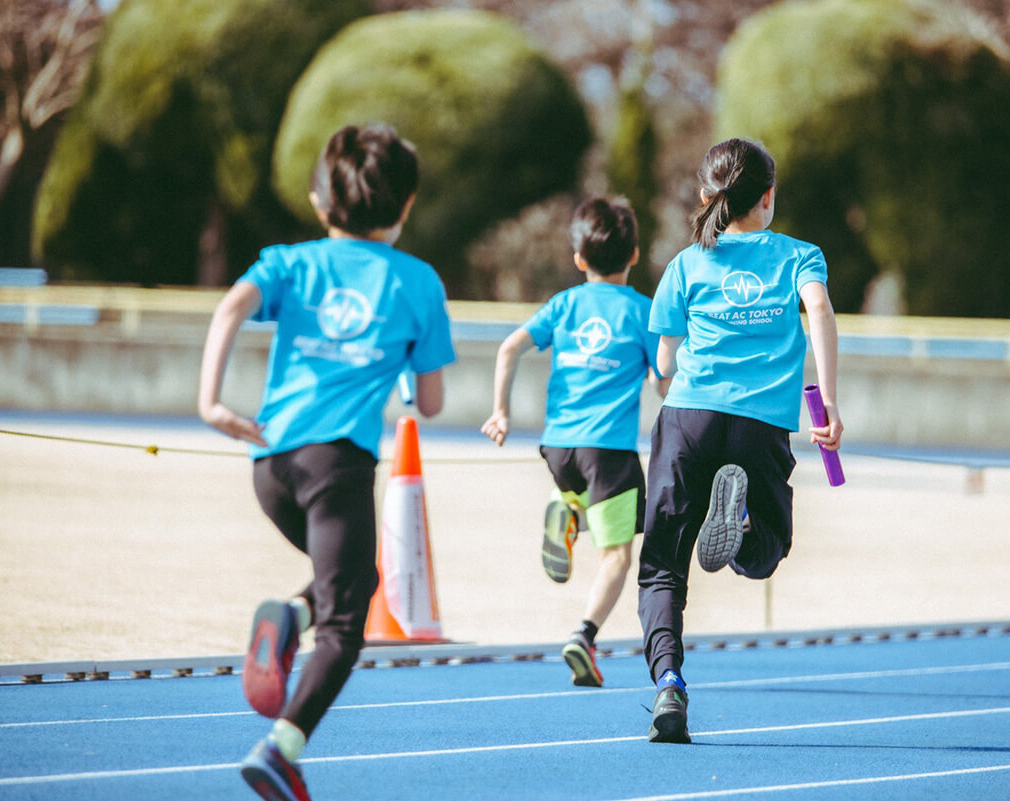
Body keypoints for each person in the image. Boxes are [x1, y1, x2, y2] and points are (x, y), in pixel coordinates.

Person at [198, 123, 455, 800]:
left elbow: (229, 308)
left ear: (319, 201)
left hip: (270, 463)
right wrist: (401, 367)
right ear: (406, 205)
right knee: (348, 623)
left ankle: (288, 616)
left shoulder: (289, 262)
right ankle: (281, 747)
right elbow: (428, 402)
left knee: (354, 584)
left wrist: (210, 402)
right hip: (335, 469)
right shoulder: (418, 282)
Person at [638, 138, 843, 743]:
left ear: (708, 198)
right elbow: (821, 312)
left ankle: (669, 683)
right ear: (769, 197)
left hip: (688, 418)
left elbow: (665, 360)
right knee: (767, 555)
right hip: (760, 424)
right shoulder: (800, 255)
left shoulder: (686, 264)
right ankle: (748, 526)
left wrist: (666, 377)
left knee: (662, 567)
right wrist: (827, 403)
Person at [481, 197, 669, 687]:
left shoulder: (563, 305)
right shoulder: (643, 313)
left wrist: (501, 411)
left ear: (579, 259)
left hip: (558, 448)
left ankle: (566, 509)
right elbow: (662, 381)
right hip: (608, 452)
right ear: (634, 255)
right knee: (618, 555)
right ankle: (584, 636)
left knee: (580, 494)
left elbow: (509, 347)